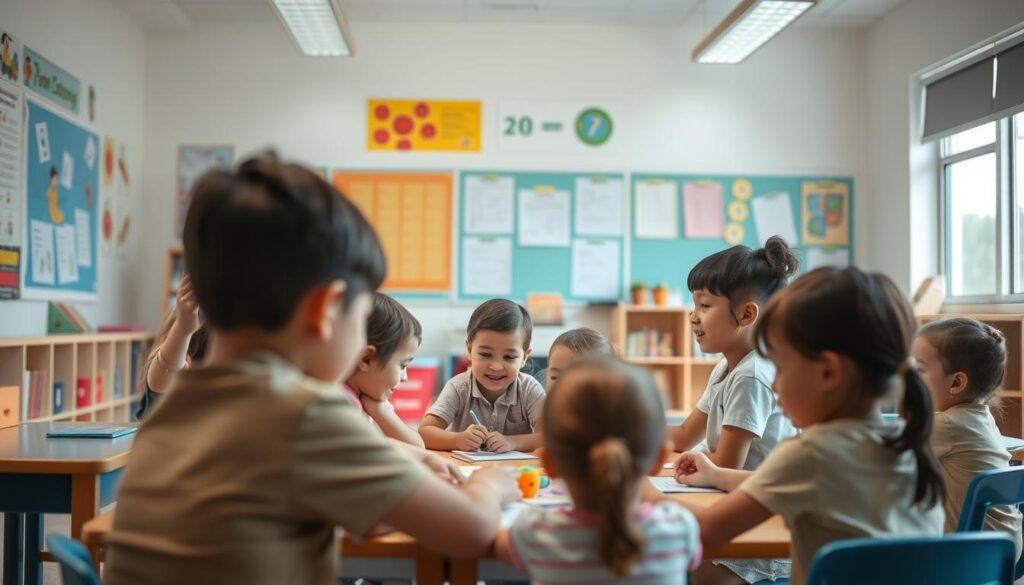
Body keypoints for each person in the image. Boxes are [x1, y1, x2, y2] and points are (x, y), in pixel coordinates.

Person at [104, 154, 518, 585]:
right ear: (324, 311)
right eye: (359, 320)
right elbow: (471, 529)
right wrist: (491, 484)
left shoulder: (178, 405)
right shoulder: (303, 411)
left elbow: (361, 514)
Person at [674, 267, 946, 585]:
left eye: (780, 367)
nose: (773, 386)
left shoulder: (810, 454)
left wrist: (635, 492)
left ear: (828, 372)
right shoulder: (910, 446)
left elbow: (706, 531)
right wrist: (716, 474)